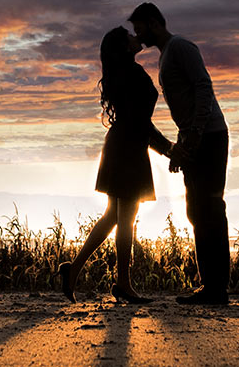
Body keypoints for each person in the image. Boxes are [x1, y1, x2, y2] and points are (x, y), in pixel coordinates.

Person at [127, 1, 231, 305]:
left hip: (210, 136)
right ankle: (210, 285)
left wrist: (196, 133)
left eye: (140, 28)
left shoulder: (181, 47)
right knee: (196, 210)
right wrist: (182, 146)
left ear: (154, 23)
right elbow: (186, 105)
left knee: (210, 208)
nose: (139, 35)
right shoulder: (166, 56)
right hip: (195, 139)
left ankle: (217, 289)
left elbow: (203, 86)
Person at [59, 27, 172, 304]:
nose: (136, 36)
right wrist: (169, 149)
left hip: (124, 146)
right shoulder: (131, 74)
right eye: (129, 36)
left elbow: (140, 121)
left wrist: (165, 148)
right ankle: (122, 283)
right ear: (124, 47)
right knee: (124, 218)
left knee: (114, 215)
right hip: (128, 149)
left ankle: (73, 271)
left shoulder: (122, 74)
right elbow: (141, 122)